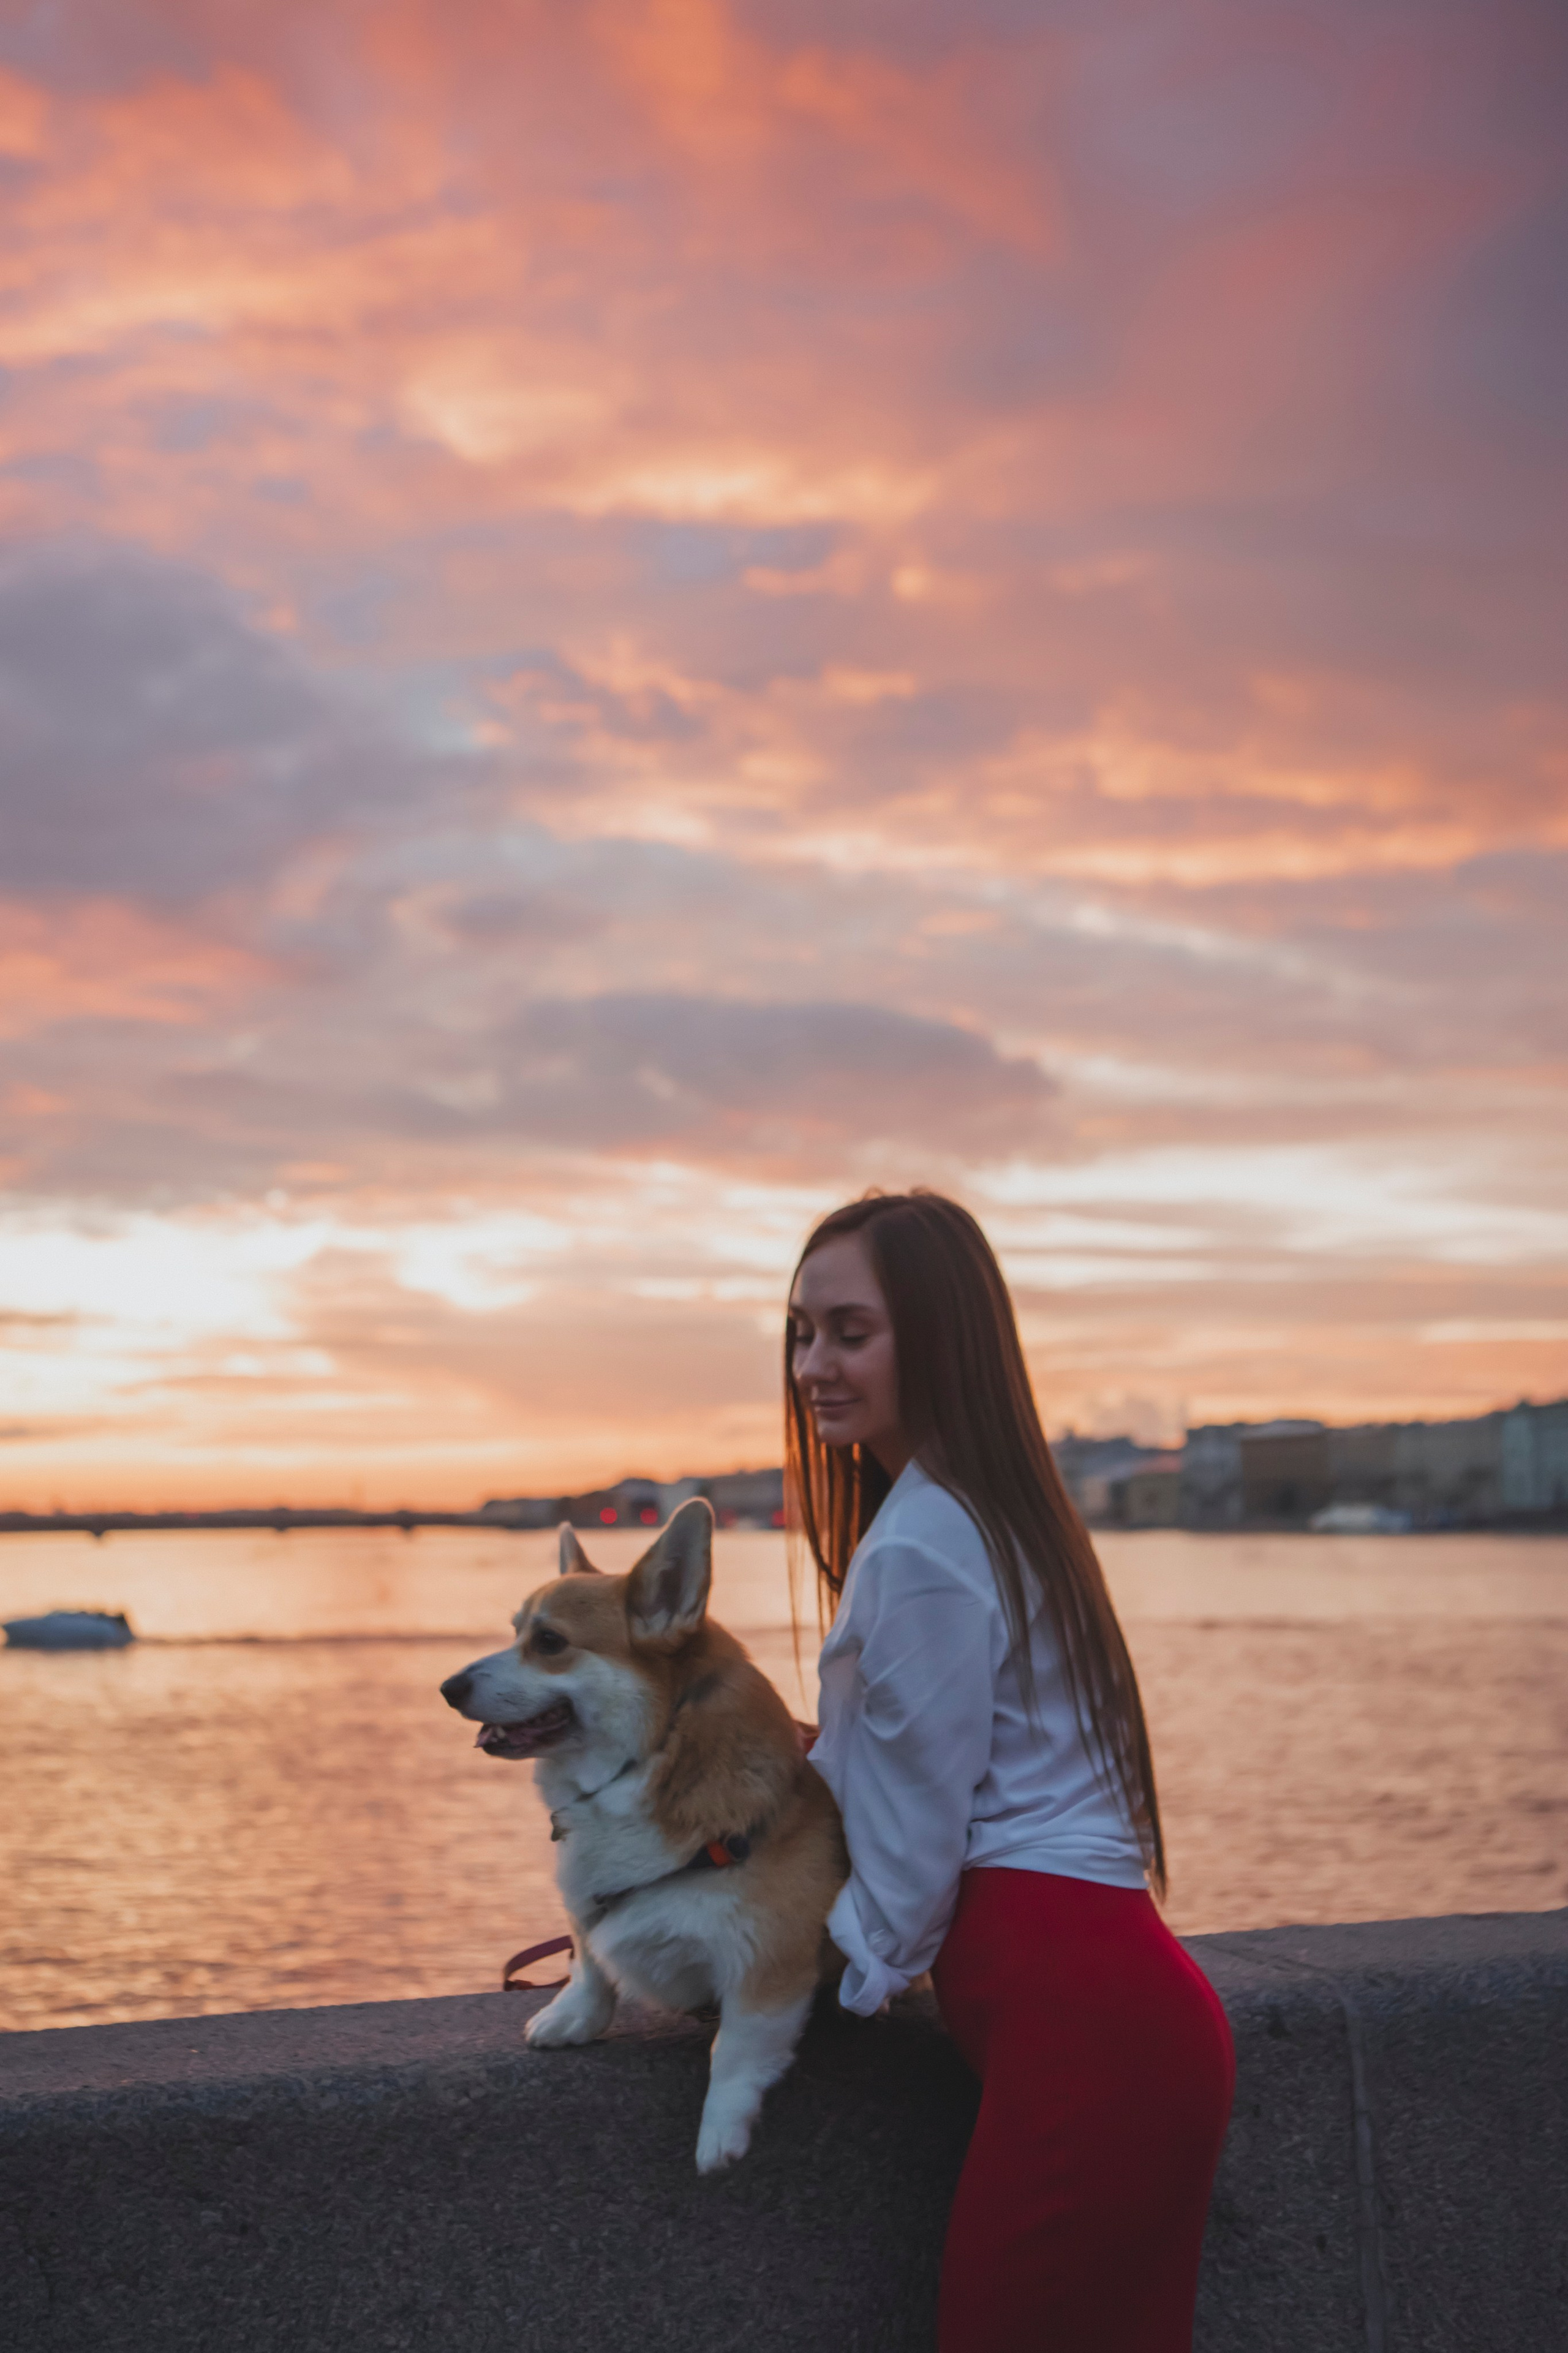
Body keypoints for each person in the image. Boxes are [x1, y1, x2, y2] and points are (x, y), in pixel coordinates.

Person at [786, 1190, 1234, 2353]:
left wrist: (829, 1980)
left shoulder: (927, 1541)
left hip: (1085, 2035)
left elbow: (920, 1840)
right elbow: (938, 1760)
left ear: (934, 1335)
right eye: (803, 1332)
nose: (814, 1365)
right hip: (1115, 2021)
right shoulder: (981, 1510)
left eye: (850, 1330)